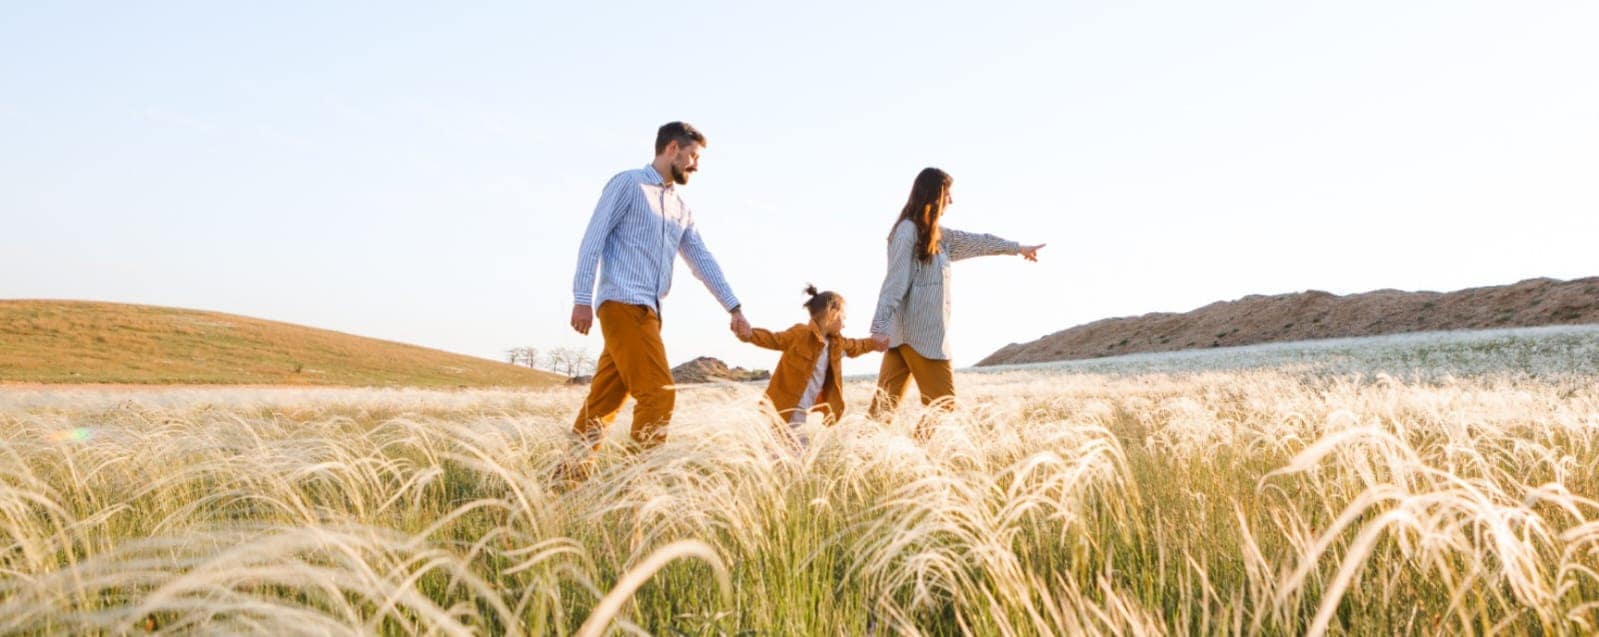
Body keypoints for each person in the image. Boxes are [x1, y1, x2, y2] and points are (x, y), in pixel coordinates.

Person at [559, 121, 752, 481]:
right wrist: (582, 297)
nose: (696, 165)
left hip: (649, 312)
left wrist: (734, 307)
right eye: (692, 156)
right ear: (672, 149)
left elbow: (702, 261)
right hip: (622, 304)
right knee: (659, 397)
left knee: (602, 404)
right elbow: (593, 239)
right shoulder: (629, 184)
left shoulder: (680, 209)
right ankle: (637, 489)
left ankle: (563, 484)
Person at [866, 167, 1045, 436]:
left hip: (905, 336)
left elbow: (976, 242)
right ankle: (917, 459)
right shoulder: (908, 232)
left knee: (883, 410)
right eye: (947, 194)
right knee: (944, 404)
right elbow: (895, 282)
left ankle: (859, 459)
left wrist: (1016, 248)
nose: (951, 200)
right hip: (921, 337)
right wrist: (879, 326)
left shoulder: (938, 235)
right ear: (934, 196)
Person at [738, 285, 886, 451]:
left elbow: (857, 346)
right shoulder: (800, 334)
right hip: (786, 404)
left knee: (779, 451)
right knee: (798, 451)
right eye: (843, 317)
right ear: (832, 313)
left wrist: (875, 343)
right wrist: (749, 335)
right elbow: (774, 339)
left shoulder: (837, 344)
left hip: (800, 409)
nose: (844, 324)